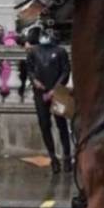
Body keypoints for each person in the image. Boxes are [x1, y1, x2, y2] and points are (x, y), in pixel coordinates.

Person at [26, 29, 72, 174]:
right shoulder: (33, 51)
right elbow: (29, 69)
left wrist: (56, 89)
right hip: (40, 93)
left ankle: (67, 156)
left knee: (61, 124)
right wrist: (34, 81)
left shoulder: (60, 51)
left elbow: (65, 71)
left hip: (57, 93)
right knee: (44, 124)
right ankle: (53, 157)